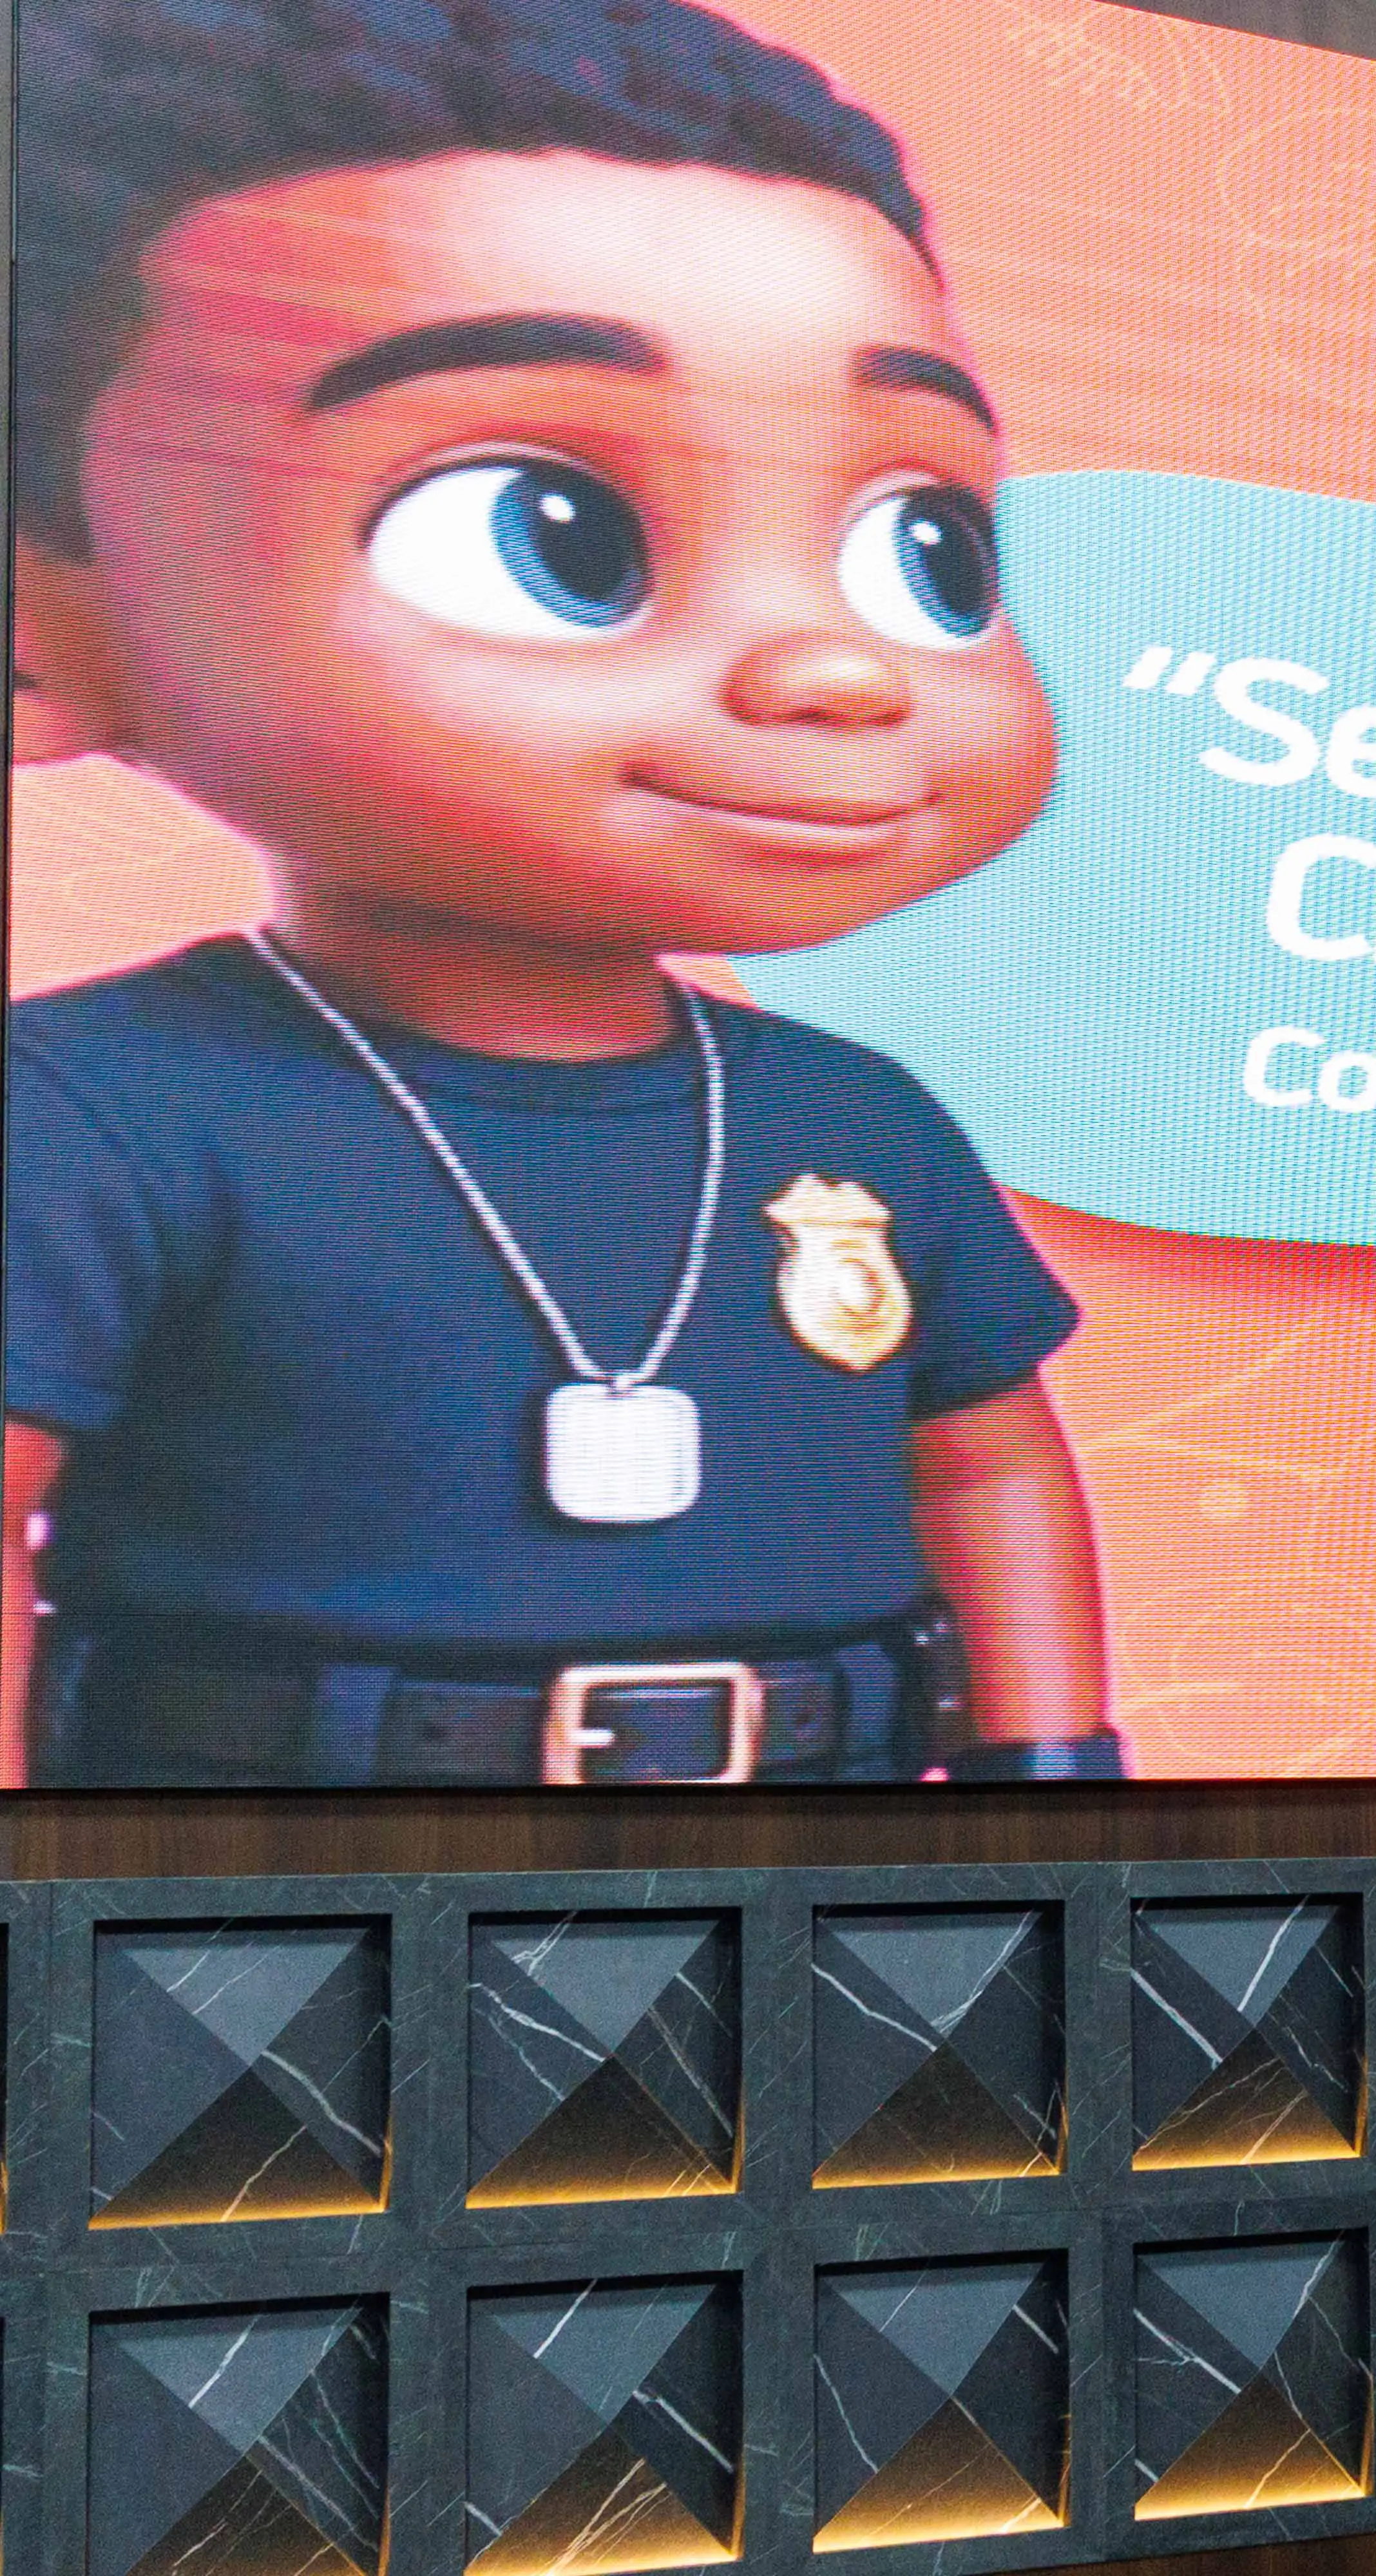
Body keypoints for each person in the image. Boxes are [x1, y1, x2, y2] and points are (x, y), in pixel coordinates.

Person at [1, 0, 1119, 1785]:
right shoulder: (96, 1114)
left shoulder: (854, 1123)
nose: (834, 673)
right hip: (277, 1877)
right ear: (40, 632)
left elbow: (982, 1458)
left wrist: (1058, 1782)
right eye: (553, 532)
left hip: (822, 1867)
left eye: (925, 548)